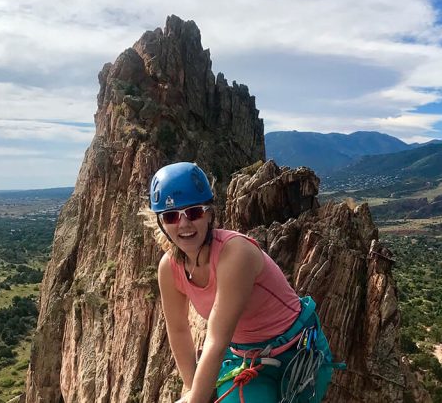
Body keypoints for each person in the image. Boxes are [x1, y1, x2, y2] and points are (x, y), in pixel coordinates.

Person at [144, 162, 339, 403]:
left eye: (193, 212)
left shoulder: (236, 253)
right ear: (162, 223)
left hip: (296, 349)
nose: (183, 224)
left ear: (209, 213)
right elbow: (178, 329)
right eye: (172, 216)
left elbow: (216, 339)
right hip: (245, 357)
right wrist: (191, 387)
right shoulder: (169, 268)